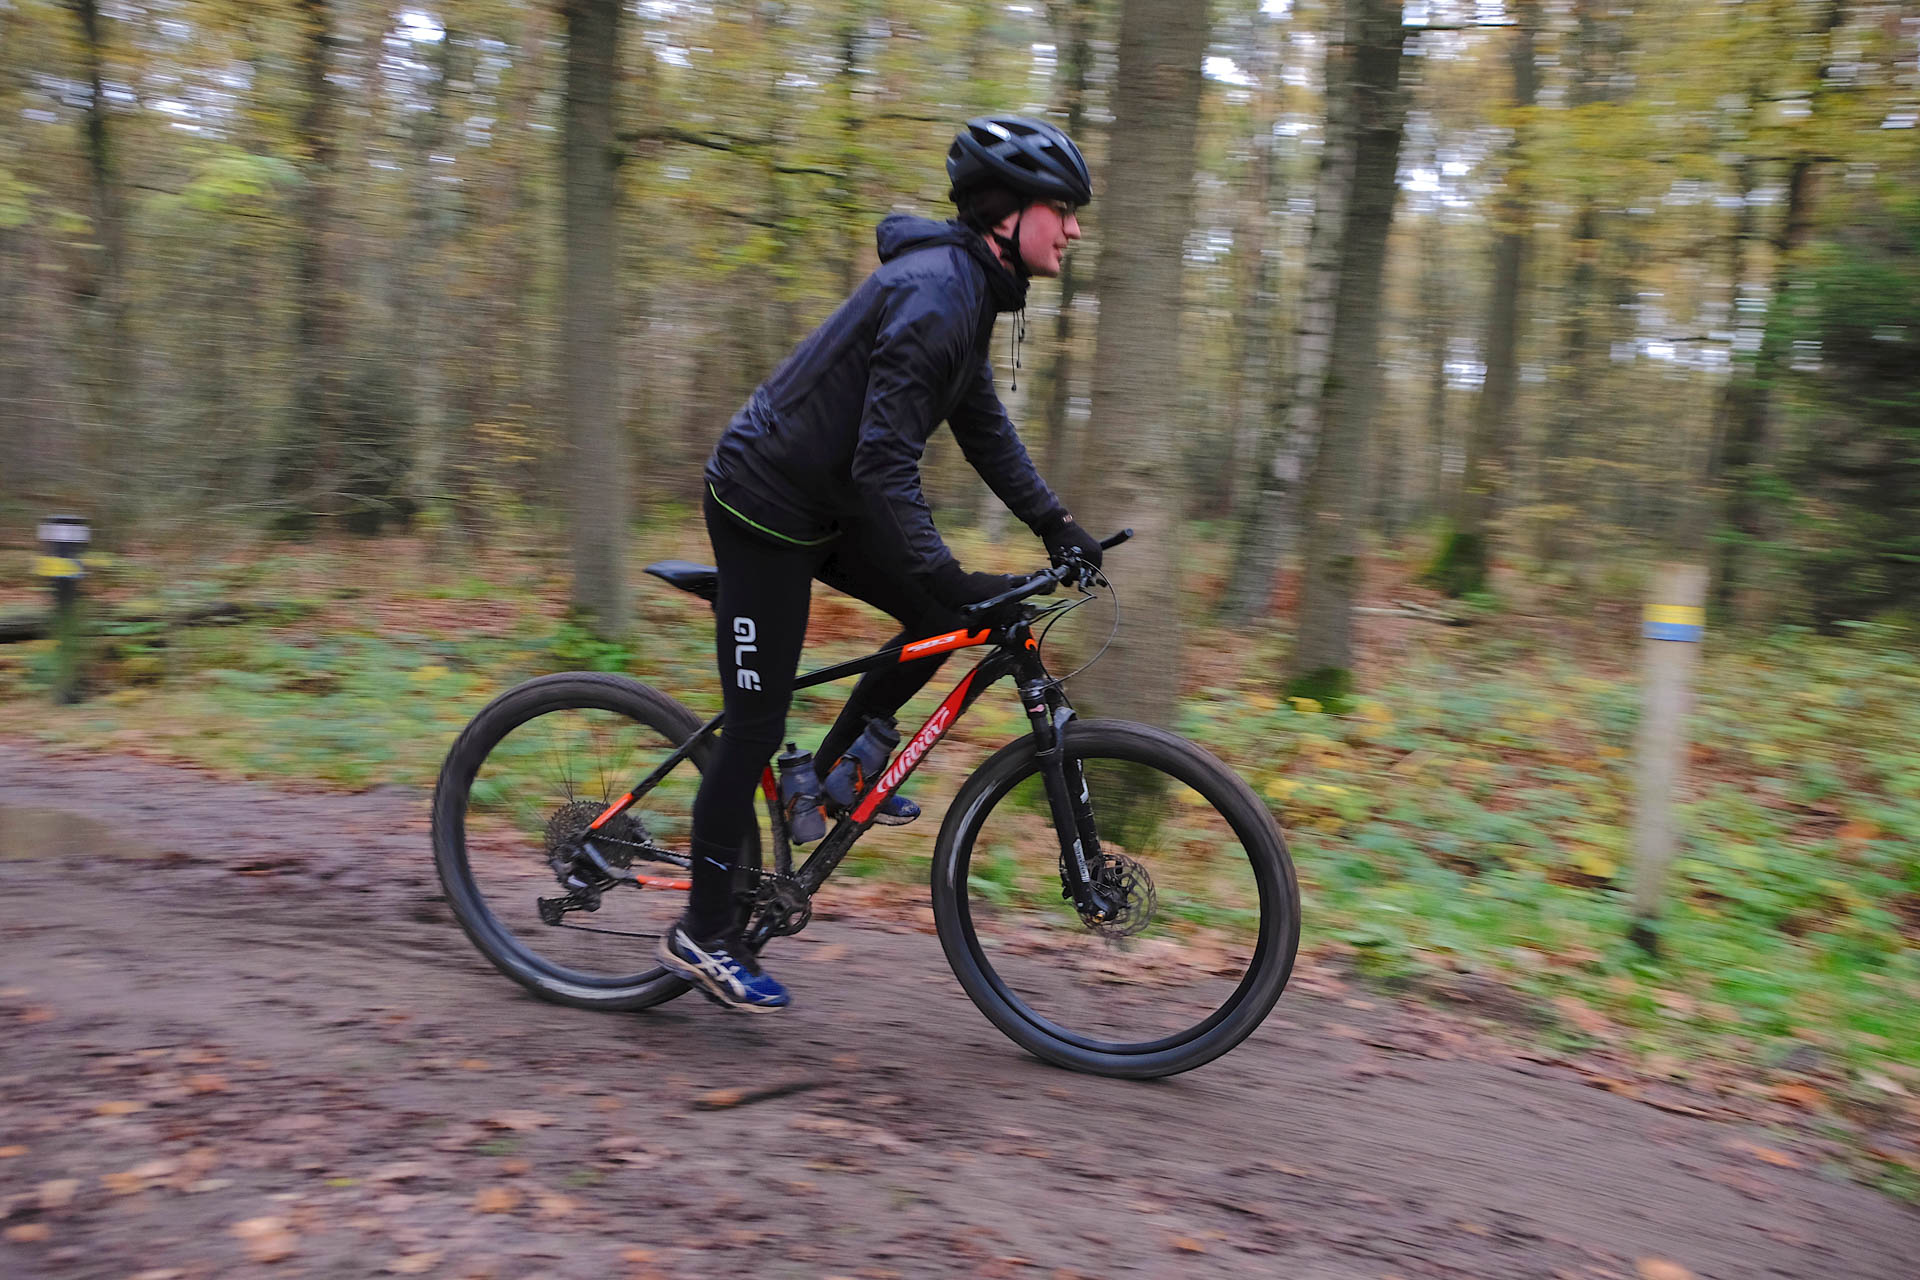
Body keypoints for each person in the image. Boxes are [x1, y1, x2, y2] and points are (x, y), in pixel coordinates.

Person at [656, 116, 1105, 1012]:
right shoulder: (938, 294)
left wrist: (1056, 523)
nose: (1075, 229)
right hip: (763, 503)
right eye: (1063, 209)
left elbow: (982, 427)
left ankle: (830, 779)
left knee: (950, 616)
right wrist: (944, 573)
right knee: (753, 729)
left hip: (827, 500)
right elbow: (884, 465)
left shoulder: (968, 291)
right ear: (1008, 213)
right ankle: (700, 934)